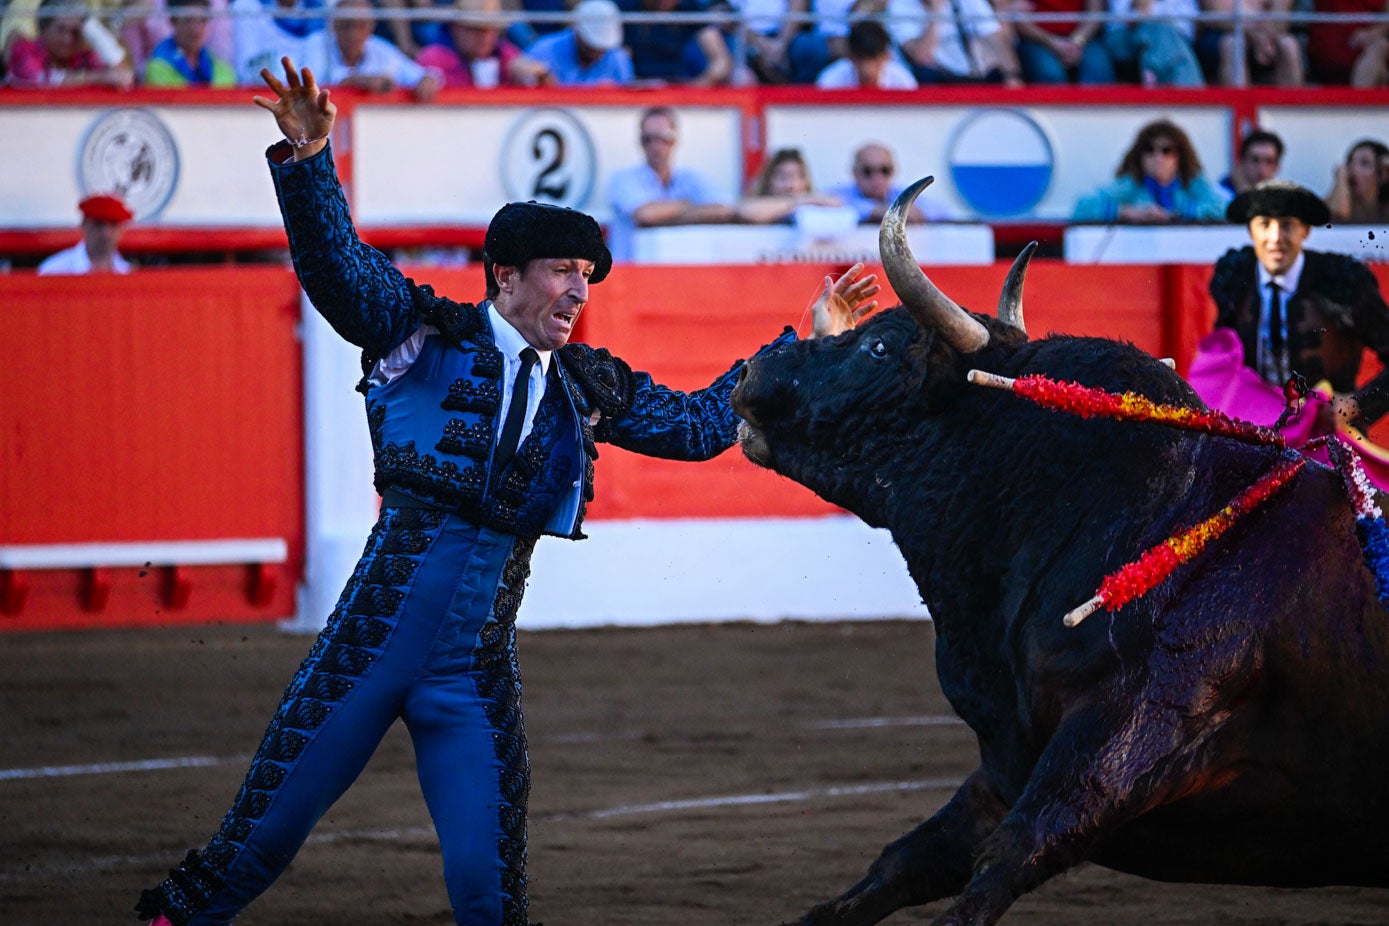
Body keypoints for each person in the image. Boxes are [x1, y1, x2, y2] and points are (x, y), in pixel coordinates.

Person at [134, 56, 879, 926]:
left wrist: (810, 347)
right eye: (561, 269)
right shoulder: (422, 334)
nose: (577, 290)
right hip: (369, 642)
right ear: (505, 277)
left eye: (587, 276)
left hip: (472, 667)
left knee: (492, 898)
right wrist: (308, 165)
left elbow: (694, 425)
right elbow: (337, 270)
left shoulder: (586, 383)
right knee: (245, 855)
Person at [1206, 180, 1389, 432]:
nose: (1275, 238)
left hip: (1329, 437)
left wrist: (1355, 406)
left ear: (1305, 230)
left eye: (1287, 225)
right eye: (1264, 225)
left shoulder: (1341, 280)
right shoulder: (1236, 279)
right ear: (1250, 231)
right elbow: (1223, 363)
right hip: (1258, 434)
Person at [605, 105, 738, 261]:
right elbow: (645, 214)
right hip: (629, 274)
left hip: (675, 271)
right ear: (640, 141)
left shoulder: (690, 178)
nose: (656, 146)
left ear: (675, 139)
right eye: (648, 139)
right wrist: (691, 206)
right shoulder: (623, 178)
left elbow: (723, 209)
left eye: (663, 138)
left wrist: (667, 213)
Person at [1072, 118, 1226, 223]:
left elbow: (1223, 209)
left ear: (1179, 157)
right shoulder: (1132, 184)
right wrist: (1127, 212)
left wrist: (1174, 215)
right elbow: (1082, 208)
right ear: (1140, 156)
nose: (1157, 157)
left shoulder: (1192, 183)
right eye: (1149, 149)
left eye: (1166, 151)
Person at [301, 0, 441, 98]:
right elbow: (308, 85)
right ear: (334, 25)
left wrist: (427, 80)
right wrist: (357, 81)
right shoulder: (315, 44)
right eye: (347, 25)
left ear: (371, 27)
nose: (353, 33)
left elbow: (421, 75)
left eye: (361, 26)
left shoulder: (381, 49)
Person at [417, 0, 552, 87]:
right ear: (456, 28)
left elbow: (549, 86)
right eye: (476, 29)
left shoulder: (505, 54)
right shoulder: (434, 57)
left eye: (490, 30)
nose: (484, 37)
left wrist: (540, 77)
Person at [5, 0, 134, 88]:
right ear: (43, 29)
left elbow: (122, 75)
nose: (68, 39)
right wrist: (98, 77)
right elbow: (43, 80)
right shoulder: (23, 50)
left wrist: (91, 27)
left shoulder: (84, 56)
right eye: (61, 30)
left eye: (75, 32)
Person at [896, 0, 1026, 85]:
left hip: (976, 73)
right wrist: (936, 12)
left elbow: (994, 37)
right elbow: (921, 56)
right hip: (940, 79)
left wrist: (1013, 75)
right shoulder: (900, 5)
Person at [828, 141, 950, 224]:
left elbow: (942, 212)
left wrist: (919, 214)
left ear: (893, 170)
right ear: (855, 172)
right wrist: (877, 211)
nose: (877, 178)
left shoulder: (903, 194)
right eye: (867, 171)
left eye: (885, 170)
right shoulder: (838, 195)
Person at [617, 0, 733, 85]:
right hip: (635, 87)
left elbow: (721, 60)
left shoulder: (691, 9)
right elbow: (613, 58)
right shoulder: (625, 7)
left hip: (678, 86)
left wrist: (698, 86)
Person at [524, 0, 635, 85]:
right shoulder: (542, 52)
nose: (598, 54)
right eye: (592, 46)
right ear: (577, 31)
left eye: (603, 49)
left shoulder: (619, 59)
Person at [1194, 0, 1302, 86]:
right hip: (1222, 31)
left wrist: (1267, 37)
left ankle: (1291, 111)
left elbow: (1281, 18)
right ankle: (1240, 108)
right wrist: (1254, 36)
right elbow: (1217, 14)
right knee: (1233, 45)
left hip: (1266, 33)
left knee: (1288, 45)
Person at [1009, 0, 1114, 84]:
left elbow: (1096, 13)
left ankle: (1091, 111)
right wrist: (1053, 42)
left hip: (1082, 38)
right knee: (1050, 74)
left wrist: (1077, 41)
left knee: (1098, 68)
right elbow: (1018, 18)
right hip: (1038, 40)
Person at [1101, 0, 1204, 85]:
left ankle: (1153, 79)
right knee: (1162, 33)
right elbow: (1131, 17)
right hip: (1123, 36)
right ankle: (1191, 100)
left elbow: (1192, 19)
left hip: (1176, 36)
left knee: (1164, 35)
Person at [736, 146, 847, 223]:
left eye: (798, 176)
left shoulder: (816, 201)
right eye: (782, 177)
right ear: (768, 180)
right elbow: (747, 212)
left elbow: (839, 205)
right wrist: (798, 202)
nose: (790, 185)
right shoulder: (753, 205)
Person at [143, 0, 237, 86]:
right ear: (173, 21)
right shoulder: (158, 65)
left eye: (202, 20)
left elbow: (228, 83)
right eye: (188, 20)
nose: (196, 29)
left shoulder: (213, 61)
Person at [229, 0, 323, 85]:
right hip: (261, 94)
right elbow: (248, 70)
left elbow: (319, 71)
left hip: (307, 96)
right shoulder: (246, 6)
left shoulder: (319, 9)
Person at [37, 193, 134, 275]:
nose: (106, 233)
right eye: (98, 224)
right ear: (84, 224)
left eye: (113, 225)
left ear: (122, 229)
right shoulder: (55, 270)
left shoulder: (127, 272)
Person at [1306, 0, 1389, 87]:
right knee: (1381, 72)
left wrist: (1372, 34)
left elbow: (1386, 19)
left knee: (1381, 49)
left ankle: (1358, 98)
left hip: (1367, 45)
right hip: (1329, 44)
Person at [815, 18, 918, 87]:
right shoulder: (830, 81)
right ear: (850, 57)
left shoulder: (903, 81)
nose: (867, 69)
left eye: (874, 59)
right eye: (861, 59)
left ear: (886, 56)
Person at [1326, 138, 1389, 224]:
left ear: (1383, 173)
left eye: (1364, 163)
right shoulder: (1331, 204)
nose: (1353, 169)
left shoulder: (1384, 211)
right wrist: (1340, 175)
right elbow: (1339, 215)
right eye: (1349, 162)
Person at [1218, 128, 1284, 201]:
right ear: (1242, 161)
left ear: (1277, 167)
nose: (1261, 168)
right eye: (1255, 160)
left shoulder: (1281, 199)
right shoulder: (1220, 197)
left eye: (1269, 161)